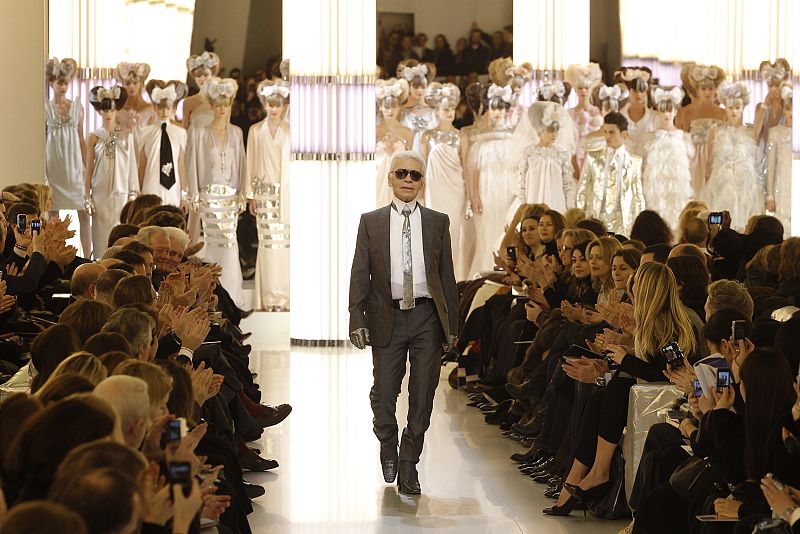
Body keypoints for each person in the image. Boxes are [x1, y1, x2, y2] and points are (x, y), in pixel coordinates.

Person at [348, 151, 458, 495]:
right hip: (386, 315)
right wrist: (356, 316)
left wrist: (452, 327)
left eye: (415, 175)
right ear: (391, 179)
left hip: (427, 316)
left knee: (423, 393)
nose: (408, 179)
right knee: (383, 395)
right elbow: (359, 272)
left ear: (422, 182)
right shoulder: (371, 221)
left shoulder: (439, 222)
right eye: (402, 174)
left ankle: (409, 461)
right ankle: (387, 440)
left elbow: (447, 277)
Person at [185, 77, 247, 307]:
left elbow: (241, 164)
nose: (222, 109)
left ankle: (232, 297)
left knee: (230, 244)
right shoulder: (199, 133)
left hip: (230, 199)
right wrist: (194, 194)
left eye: (226, 104)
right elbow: (191, 164)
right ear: (211, 105)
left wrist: (242, 193)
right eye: (218, 104)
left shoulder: (237, 133)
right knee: (212, 244)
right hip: (208, 197)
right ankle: (214, 296)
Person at [246, 79, 291, 311]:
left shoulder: (292, 131)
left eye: (278, 104)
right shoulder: (255, 131)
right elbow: (250, 161)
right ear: (264, 104)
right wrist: (249, 194)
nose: (274, 108)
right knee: (268, 244)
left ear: (284, 105)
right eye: (270, 104)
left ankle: (284, 298)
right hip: (264, 195)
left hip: (286, 194)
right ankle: (268, 298)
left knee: (284, 245)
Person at [85, 85, 139, 260]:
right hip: (100, 194)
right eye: (104, 109)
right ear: (99, 111)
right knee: (100, 238)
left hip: (121, 194)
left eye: (112, 109)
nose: (108, 113)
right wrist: (87, 195)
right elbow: (89, 168)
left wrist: (133, 193)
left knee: (120, 236)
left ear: (117, 110)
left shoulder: (127, 136)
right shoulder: (93, 137)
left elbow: (132, 166)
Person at [420, 83, 467, 279]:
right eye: (446, 109)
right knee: (433, 232)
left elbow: (465, 167)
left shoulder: (461, 135)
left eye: (452, 109)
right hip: (434, 189)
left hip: (455, 190)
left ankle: (452, 276)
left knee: (453, 231)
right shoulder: (428, 135)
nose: (450, 113)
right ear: (437, 110)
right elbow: (421, 166)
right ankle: (432, 276)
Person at [45, 57, 90, 257]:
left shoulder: (76, 107)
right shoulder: (45, 108)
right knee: (54, 211)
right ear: (51, 84)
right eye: (58, 83)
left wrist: (86, 164)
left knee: (83, 211)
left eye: (65, 83)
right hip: (54, 163)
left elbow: (81, 139)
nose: (62, 87)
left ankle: (87, 255)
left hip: (73, 165)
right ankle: (57, 255)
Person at [704, 81, 762, 230]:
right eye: (730, 108)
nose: (734, 112)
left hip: (744, 182)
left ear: (743, 108)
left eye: (737, 108)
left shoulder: (749, 131)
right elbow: (709, 160)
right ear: (726, 108)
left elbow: (754, 160)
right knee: (719, 217)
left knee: (744, 217)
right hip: (721, 182)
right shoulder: (716, 131)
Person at [576, 112, 644, 235]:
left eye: (612, 132)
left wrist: (639, 224)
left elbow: (638, 196)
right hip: (596, 218)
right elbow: (582, 189)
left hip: (622, 221)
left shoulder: (634, 162)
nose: (607, 136)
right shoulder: (593, 157)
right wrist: (581, 219)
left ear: (624, 134)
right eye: (605, 132)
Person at [642, 86, 694, 232]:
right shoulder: (650, 137)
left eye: (669, 110)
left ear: (675, 111)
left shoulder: (684, 137)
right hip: (656, 187)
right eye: (663, 110)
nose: (666, 114)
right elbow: (645, 166)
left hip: (678, 187)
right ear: (657, 112)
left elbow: (689, 168)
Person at [137, 80, 188, 207]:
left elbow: (181, 166)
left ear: (173, 109)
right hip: (151, 186)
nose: (164, 112)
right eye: (160, 108)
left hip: (173, 189)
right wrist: (138, 190)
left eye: (168, 108)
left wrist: (184, 195)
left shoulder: (180, 133)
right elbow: (142, 164)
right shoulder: (145, 133)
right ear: (155, 107)